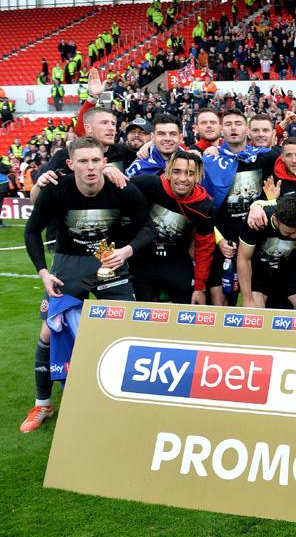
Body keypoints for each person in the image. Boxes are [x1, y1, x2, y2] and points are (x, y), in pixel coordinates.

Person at [20, 137, 153, 433]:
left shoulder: (122, 188)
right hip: (69, 262)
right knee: (47, 331)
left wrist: (127, 250)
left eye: (96, 160)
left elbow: (148, 226)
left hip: (108, 259)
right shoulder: (58, 190)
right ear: (71, 165)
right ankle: (43, 404)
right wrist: (43, 271)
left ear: (105, 162)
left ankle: (126, 398)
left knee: (127, 327)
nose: (90, 167)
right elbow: (31, 232)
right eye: (83, 161)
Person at [202, 108, 277, 306]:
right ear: (220, 130)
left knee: (253, 303)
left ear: (247, 130)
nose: (233, 128)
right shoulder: (208, 162)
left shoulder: (265, 157)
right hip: (222, 242)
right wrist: (219, 241)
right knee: (219, 302)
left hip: (256, 242)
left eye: (238, 124)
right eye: (228, 124)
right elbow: (202, 210)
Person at [129, 150, 215, 304]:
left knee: (186, 313)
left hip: (176, 262)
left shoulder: (204, 206)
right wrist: (110, 170)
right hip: (142, 260)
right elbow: (116, 186)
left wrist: (200, 287)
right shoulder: (148, 185)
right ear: (168, 171)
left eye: (190, 173)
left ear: (198, 176)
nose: (182, 179)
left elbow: (205, 248)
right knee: (138, 313)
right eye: (177, 172)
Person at [237, 196, 296, 309]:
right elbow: (244, 258)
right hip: (260, 272)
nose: (294, 236)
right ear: (275, 220)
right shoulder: (256, 222)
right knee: (253, 314)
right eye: (289, 232)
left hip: (293, 271)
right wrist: (247, 299)